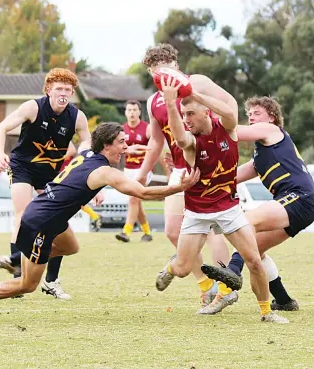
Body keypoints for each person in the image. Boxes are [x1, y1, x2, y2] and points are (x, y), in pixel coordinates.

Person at [0, 122, 200, 321]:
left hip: (49, 216)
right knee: (27, 285)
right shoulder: (104, 172)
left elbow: (89, 140)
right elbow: (144, 193)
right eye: (121, 142)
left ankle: (19, 257)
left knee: (70, 247)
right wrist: (179, 187)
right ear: (106, 145)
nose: (125, 146)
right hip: (40, 224)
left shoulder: (88, 152)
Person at [154, 74, 289, 323]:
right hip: (197, 211)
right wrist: (173, 104)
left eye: (191, 114)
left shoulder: (227, 128)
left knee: (254, 262)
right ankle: (170, 268)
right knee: (183, 269)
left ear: (206, 111)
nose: (187, 120)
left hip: (229, 208)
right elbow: (180, 137)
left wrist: (195, 95)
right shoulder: (191, 141)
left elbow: (228, 111)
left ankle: (266, 313)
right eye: (184, 116)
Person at [136, 43, 230, 308]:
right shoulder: (153, 100)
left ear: (176, 66)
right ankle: (206, 285)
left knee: (212, 230)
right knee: (172, 230)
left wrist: (226, 144)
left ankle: (225, 288)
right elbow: (156, 141)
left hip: (210, 167)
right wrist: (142, 174)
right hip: (180, 168)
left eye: (166, 68)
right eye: (155, 71)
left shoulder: (194, 83)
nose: (161, 75)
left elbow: (228, 107)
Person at [201, 96, 314, 312]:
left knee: (245, 222)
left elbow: (233, 132)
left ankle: (233, 272)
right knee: (254, 250)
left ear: (271, 117)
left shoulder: (272, 131)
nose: (251, 116)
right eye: (249, 113)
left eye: (257, 113)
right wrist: (202, 180)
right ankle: (283, 300)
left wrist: (206, 117)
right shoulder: (260, 155)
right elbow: (230, 177)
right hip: (297, 204)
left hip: (301, 196)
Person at [0, 68, 93, 300]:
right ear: (48, 89)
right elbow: (1, 128)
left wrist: (85, 158)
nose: (64, 93)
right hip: (22, 166)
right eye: (59, 88)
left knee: (57, 222)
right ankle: (17, 265)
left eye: (68, 90)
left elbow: (87, 141)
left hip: (50, 173)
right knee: (24, 211)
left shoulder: (77, 117)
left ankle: (51, 281)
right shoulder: (33, 107)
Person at [116, 100, 153, 243]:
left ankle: (126, 231)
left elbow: (157, 148)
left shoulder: (147, 128)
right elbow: (117, 150)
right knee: (136, 201)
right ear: (125, 112)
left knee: (133, 199)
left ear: (139, 112)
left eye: (134, 110)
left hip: (143, 169)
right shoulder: (121, 130)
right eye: (129, 110)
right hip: (128, 170)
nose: (131, 112)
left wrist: (167, 171)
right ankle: (147, 232)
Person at [63, 141, 102, 232]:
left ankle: (95, 216)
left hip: (66, 171)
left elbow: (72, 151)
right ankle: (94, 216)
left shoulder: (58, 135)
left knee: (71, 199)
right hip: (57, 172)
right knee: (71, 200)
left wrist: (57, 158)